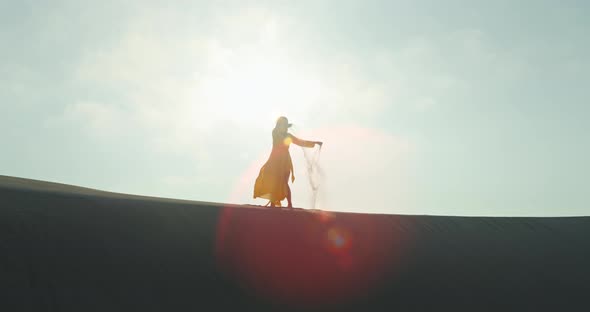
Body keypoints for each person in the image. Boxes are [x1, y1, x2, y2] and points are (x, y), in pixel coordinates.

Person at [254, 116, 322, 208]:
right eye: (283, 125)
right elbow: (277, 130)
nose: (284, 127)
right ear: (279, 125)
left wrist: (315, 143)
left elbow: (300, 142)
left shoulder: (288, 136)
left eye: (285, 125)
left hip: (285, 161)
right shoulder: (275, 132)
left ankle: (289, 203)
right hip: (274, 160)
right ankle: (273, 203)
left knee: (284, 182)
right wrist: (284, 124)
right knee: (273, 181)